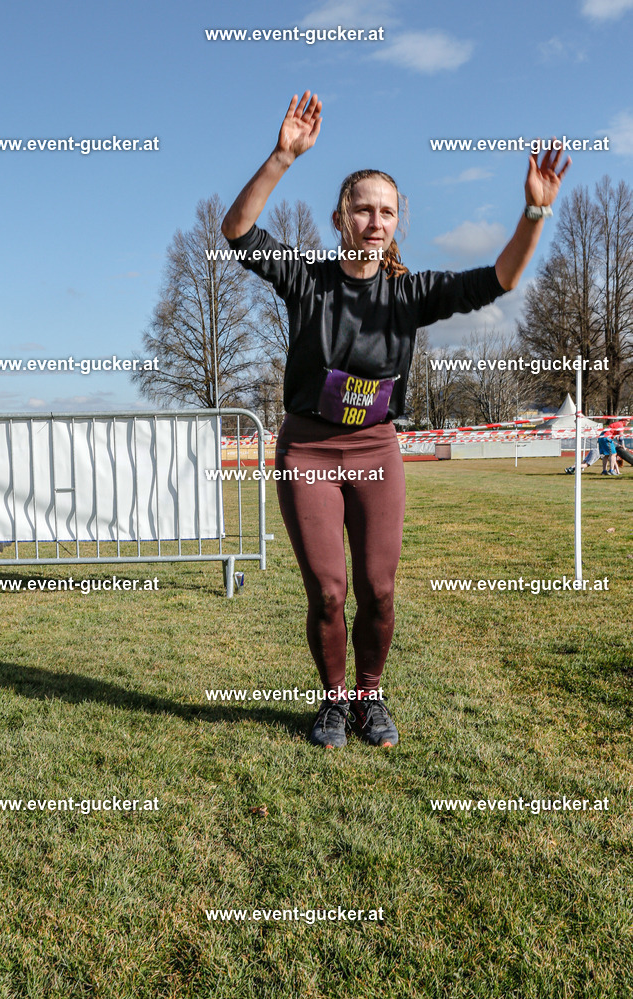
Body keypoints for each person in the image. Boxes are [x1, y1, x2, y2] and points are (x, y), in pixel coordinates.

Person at [221, 91, 571, 749]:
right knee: (328, 592)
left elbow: (499, 278)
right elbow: (237, 231)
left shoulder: (410, 293)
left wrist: (534, 211)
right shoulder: (308, 281)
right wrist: (281, 156)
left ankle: (368, 698)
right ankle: (331, 703)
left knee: (378, 592)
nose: (374, 221)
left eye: (386, 211)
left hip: (377, 451)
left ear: (396, 222)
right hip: (308, 453)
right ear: (340, 219)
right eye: (362, 210)